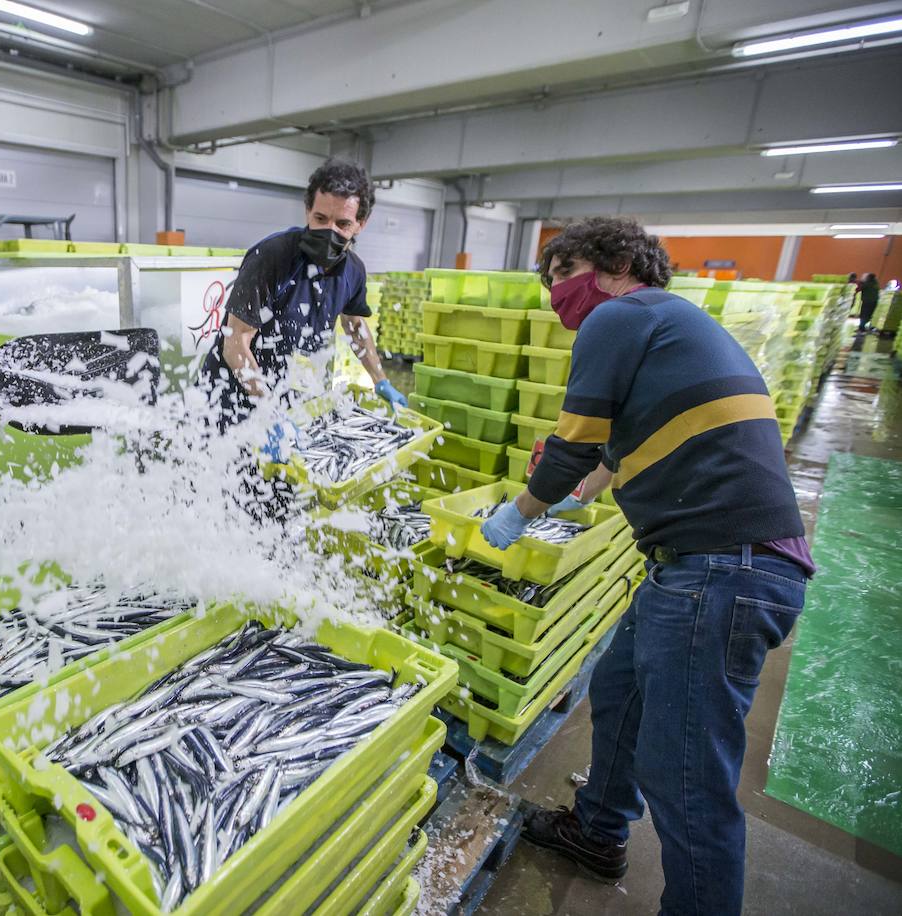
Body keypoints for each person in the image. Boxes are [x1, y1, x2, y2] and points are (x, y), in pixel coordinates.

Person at [480, 217, 814, 916]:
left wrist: (520, 513)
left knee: (686, 774)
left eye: (561, 272)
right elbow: (605, 457)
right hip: (708, 567)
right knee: (621, 687)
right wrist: (576, 500)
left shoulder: (620, 316)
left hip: (722, 571)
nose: (553, 295)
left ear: (616, 263)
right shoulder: (669, 322)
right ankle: (598, 832)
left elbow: (574, 447)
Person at [200, 158, 406, 445]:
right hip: (230, 395)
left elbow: (355, 325)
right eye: (321, 219)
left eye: (343, 223)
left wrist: (380, 380)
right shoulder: (271, 258)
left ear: (361, 224)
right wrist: (268, 412)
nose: (330, 231)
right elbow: (235, 344)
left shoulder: (354, 271)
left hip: (286, 397)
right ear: (308, 210)